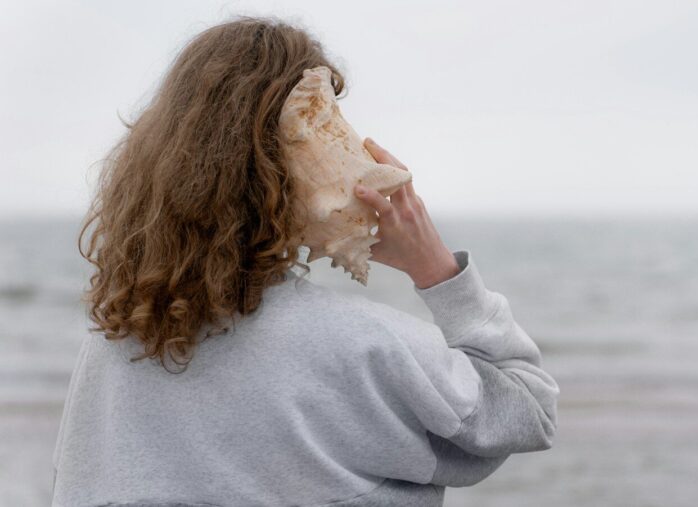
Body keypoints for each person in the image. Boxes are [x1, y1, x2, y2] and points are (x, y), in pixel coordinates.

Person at [52, 16, 559, 507]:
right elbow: (528, 410)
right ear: (290, 157)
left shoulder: (113, 347)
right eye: (328, 122)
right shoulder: (363, 348)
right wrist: (439, 271)